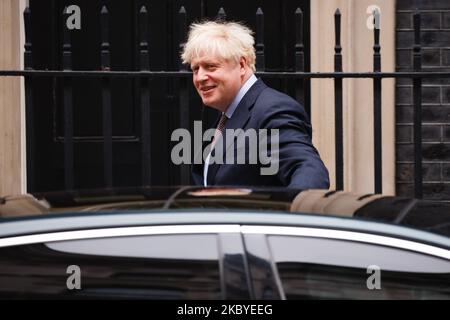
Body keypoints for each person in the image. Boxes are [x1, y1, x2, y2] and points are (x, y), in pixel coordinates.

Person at [181, 20, 329, 189]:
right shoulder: (228, 114)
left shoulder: (272, 110)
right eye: (195, 69)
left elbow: (311, 173)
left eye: (211, 67)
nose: (200, 77)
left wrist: (290, 215)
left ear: (242, 65)